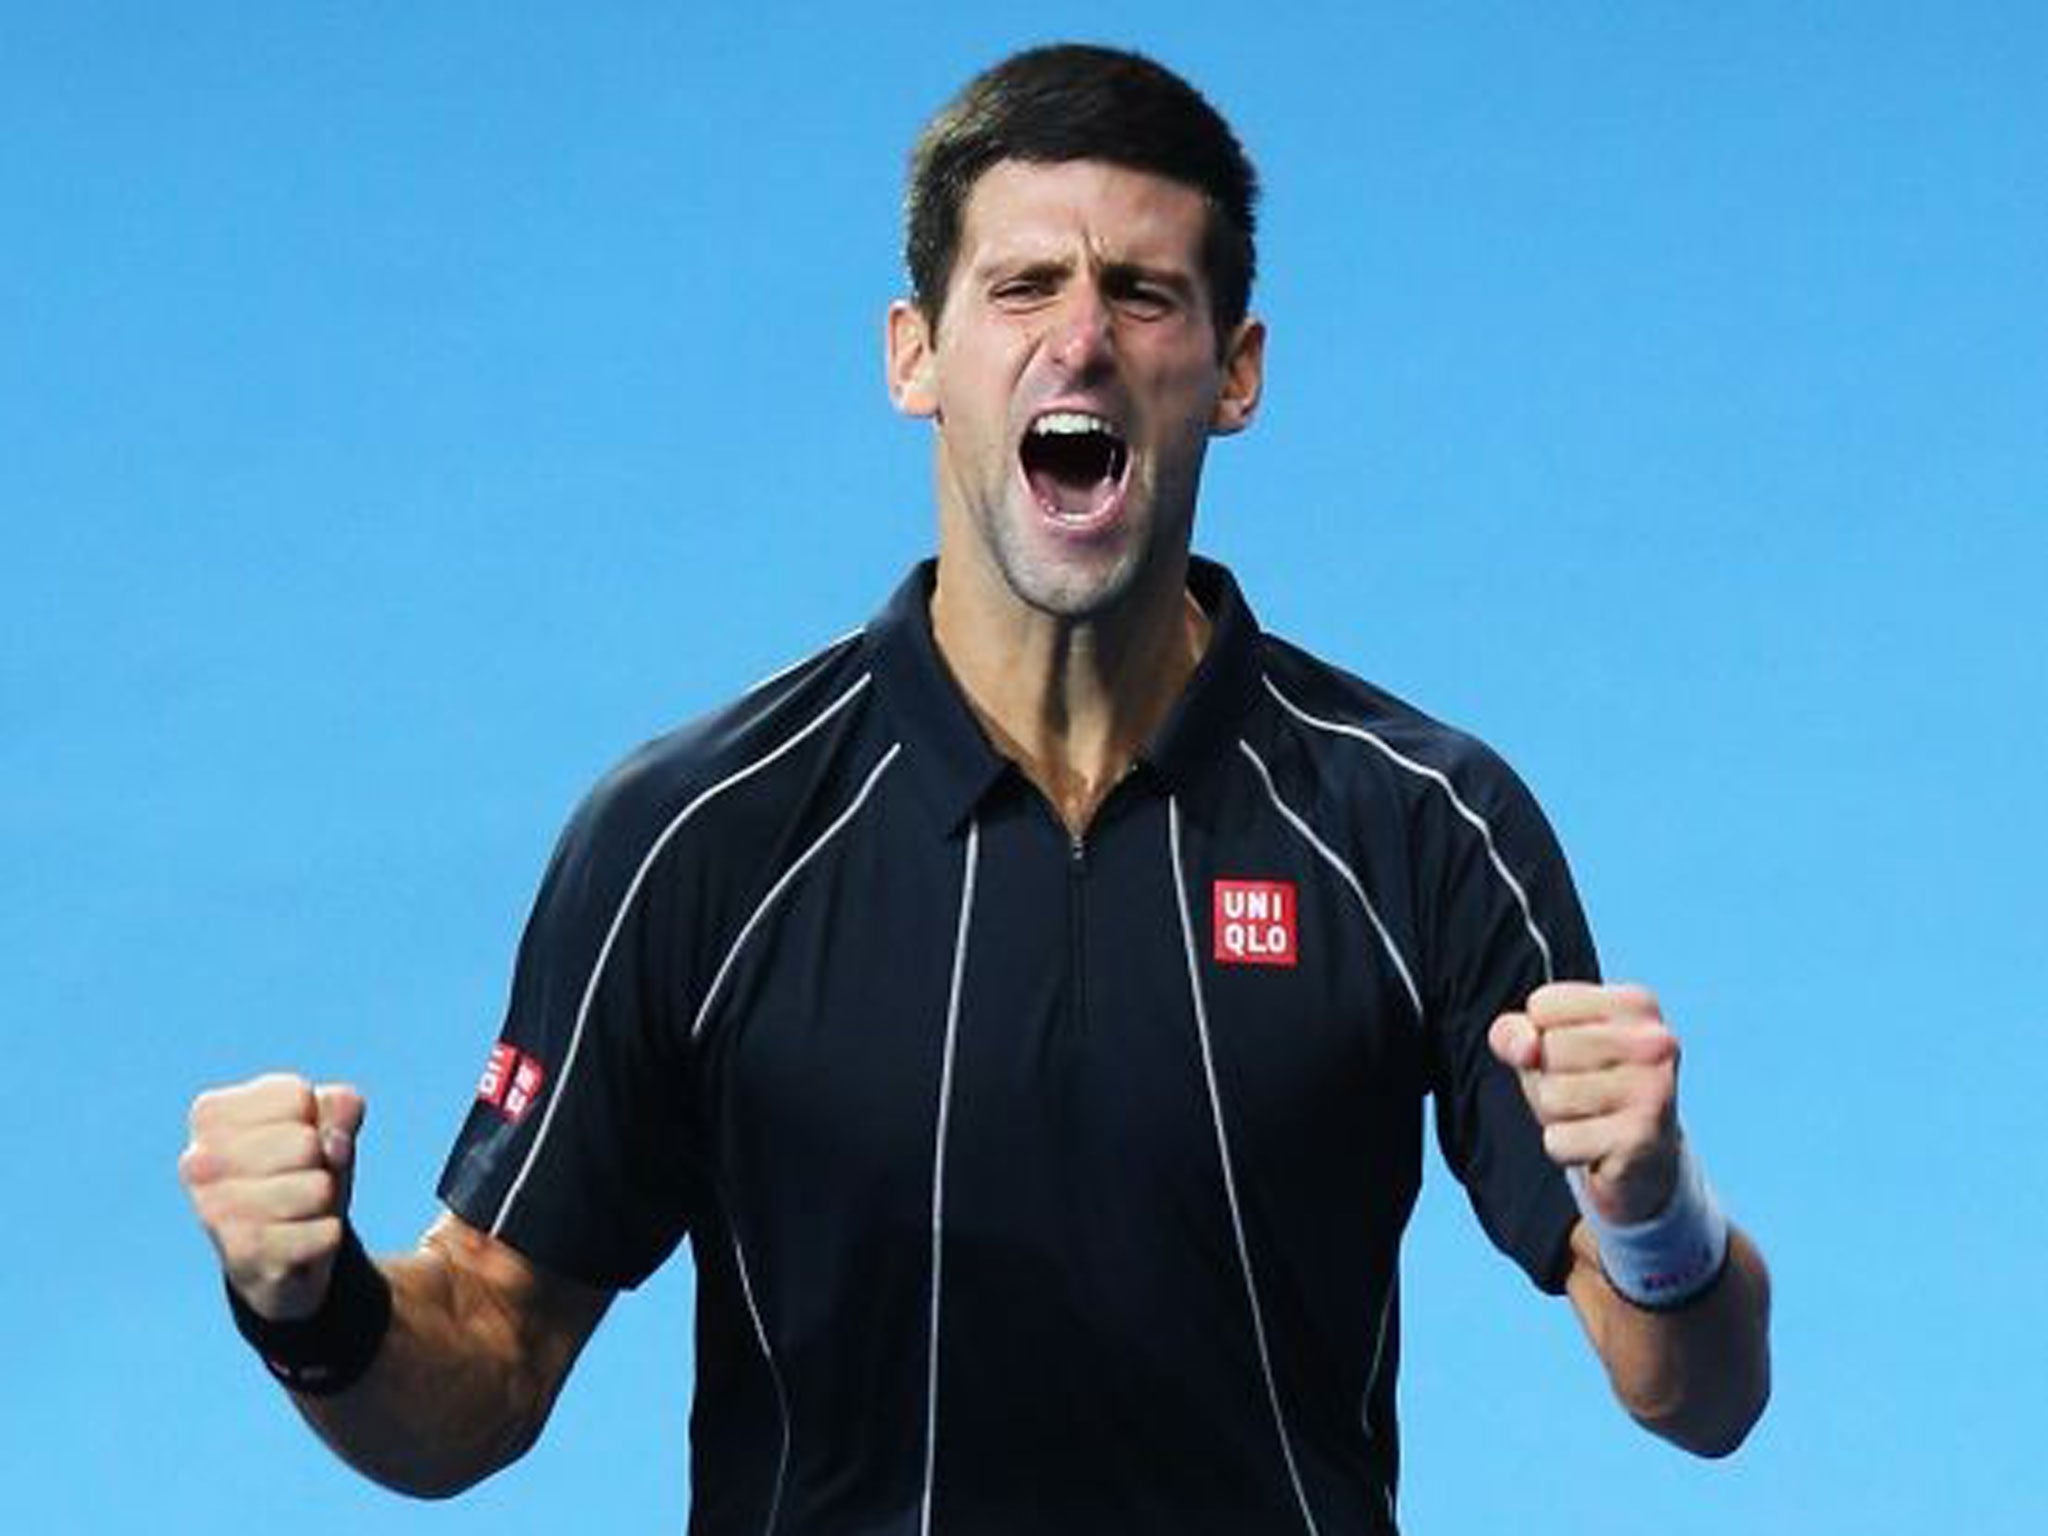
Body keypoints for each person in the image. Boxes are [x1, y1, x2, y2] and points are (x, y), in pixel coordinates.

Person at [179, 43, 1770, 1534]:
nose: (1081, 335)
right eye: (1022, 285)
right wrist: (312, 1309)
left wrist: (1655, 1209)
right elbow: (485, 1361)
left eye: (1144, 293)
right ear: (916, 357)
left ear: (1234, 373)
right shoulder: (694, 841)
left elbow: (1694, 1390)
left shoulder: (1423, 826)